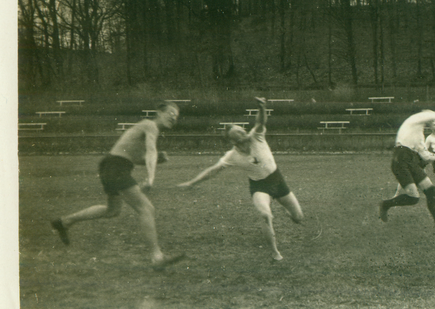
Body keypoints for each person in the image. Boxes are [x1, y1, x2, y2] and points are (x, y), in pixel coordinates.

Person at [50, 101, 185, 269]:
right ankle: (157, 257)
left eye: (176, 116)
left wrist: (156, 160)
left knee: (112, 210)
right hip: (115, 167)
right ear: (158, 112)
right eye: (170, 112)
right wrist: (150, 178)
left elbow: (133, 157)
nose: (173, 117)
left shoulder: (145, 128)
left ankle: (64, 222)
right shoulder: (150, 125)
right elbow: (151, 150)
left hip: (112, 165)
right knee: (146, 208)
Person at [178, 98, 303, 261]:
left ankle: (288, 211)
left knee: (298, 218)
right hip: (260, 186)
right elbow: (213, 170)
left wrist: (262, 107)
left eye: (243, 129)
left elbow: (260, 121)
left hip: (278, 181)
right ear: (232, 140)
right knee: (265, 214)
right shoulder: (232, 155)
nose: (244, 131)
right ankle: (274, 252)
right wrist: (192, 182)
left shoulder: (256, 136)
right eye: (239, 132)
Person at [378, 109, 435, 233]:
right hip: (400, 159)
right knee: (413, 197)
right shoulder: (414, 120)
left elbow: (425, 155)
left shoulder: (420, 134)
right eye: (430, 117)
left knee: (430, 190)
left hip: (412, 160)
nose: (432, 120)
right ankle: (385, 204)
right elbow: (433, 115)